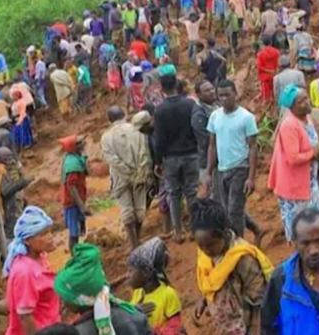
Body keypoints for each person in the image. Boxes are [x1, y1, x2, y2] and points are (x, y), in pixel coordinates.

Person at [193, 199, 273, 335]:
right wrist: (204, 299)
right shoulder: (206, 254)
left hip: (243, 327)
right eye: (201, 246)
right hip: (225, 325)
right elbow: (210, 280)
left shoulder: (243, 259)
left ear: (224, 233)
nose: (206, 250)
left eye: (210, 245)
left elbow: (259, 299)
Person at [202, 80, 259, 241]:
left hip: (240, 167)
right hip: (222, 168)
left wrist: (251, 177)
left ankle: (238, 244)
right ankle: (255, 229)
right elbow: (212, 145)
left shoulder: (246, 117)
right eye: (221, 95)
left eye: (227, 94)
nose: (224, 98)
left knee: (234, 210)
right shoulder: (214, 116)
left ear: (235, 94)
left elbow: (253, 147)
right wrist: (208, 172)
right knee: (227, 209)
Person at [54, 244, 150, 335]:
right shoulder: (134, 315)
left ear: (79, 301)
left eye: (65, 297)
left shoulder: (79, 332)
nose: (63, 302)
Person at [268, 86, 319, 243]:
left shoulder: (307, 119)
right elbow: (293, 158)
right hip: (294, 186)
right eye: (301, 101)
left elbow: (312, 143)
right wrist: (314, 153)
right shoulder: (289, 125)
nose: (307, 103)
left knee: (313, 225)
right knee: (299, 230)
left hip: (309, 182)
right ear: (291, 106)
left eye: (306, 98)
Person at [152, 71, 200, 244]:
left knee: (174, 194)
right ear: (176, 85)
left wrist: (158, 161)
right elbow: (196, 129)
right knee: (192, 192)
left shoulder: (160, 110)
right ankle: (195, 229)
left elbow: (159, 140)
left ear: (162, 89)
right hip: (191, 154)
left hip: (170, 158)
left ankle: (178, 232)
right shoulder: (189, 105)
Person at [100, 106, 151, 249]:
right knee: (140, 209)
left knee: (127, 210)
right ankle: (138, 238)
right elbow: (144, 152)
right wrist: (139, 170)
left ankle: (134, 244)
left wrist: (126, 172)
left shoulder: (106, 137)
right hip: (139, 175)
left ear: (109, 119)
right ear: (124, 114)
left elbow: (112, 159)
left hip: (120, 177)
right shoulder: (137, 130)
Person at [3, 207, 60, 335]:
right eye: (43, 234)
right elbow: (25, 318)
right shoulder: (25, 272)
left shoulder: (40, 258)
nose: (50, 237)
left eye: (50, 232)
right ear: (28, 240)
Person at [127, 238, 183, 335]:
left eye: (131, 271)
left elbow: (176, 328)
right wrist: (134, 311)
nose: (127, 275)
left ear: (146, 273)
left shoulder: (168, 294)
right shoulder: (138, 293)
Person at [58, 136, 88, 252]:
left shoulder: (74, 158)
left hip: (75, 200)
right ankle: (73, 254)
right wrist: (81, 206)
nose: (83, 144)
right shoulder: (72, 164)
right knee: (74, 231)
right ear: (73, 147)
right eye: (79, 143)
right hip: (72, 202)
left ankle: (76, 252)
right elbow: (71, 186)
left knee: (78, 227)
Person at [256, 40, 281, 105]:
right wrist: (275, 71)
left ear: (263, 44)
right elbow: (279, 64)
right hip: (275, 75)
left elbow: (259, 67)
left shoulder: (261, 54)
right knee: (274, 91)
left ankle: (265, 105)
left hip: (265, 77)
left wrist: (268, 71)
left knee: (266, 96)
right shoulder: (276, 51)